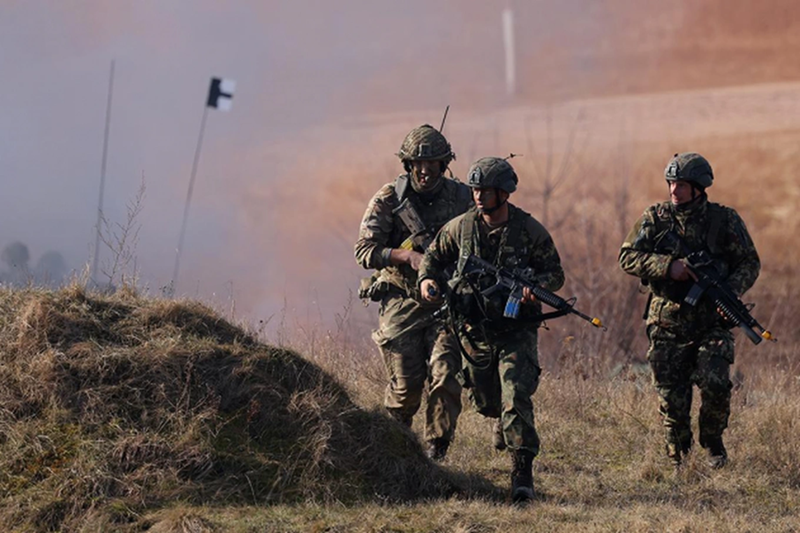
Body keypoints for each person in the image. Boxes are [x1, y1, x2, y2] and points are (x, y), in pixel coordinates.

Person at [418, 156, 564, 503]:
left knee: (514, 394)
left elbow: (555, 274)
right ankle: (435, 451)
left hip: (513, 329)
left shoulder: (528, 230)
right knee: (446, 380)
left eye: (485, 190)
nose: (479, 196)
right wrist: (426, 281)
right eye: (475, 189)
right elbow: (433, 258)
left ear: (504, 193)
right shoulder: (460, 228)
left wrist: (533, 287)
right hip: (465, 325)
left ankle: (521, 472)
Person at [619, 152, 760, 468]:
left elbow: (749, 262)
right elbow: (627, 257)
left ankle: (713, 445)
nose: (673, 190)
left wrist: (731, 293)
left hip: (712, 321)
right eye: (671, 183)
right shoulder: (655, 219)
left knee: (715, 384)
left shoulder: (724, 220)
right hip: (667, 321)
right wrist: (669, 267)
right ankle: (678, 456)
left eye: (681, 184)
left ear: (699, 187)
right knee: (671, 395)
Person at [354, 124, 472, 460]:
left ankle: (436, 451)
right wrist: (406, 256)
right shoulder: (390, 198)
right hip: (402, 299)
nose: (424, 170)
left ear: (443, 163)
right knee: (406, 391)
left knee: (447, 374)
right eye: (418, 164)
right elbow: (364, 250)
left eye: (432, 163)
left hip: (445, 302)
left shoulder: (462, 198)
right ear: (407, 165)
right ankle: (396, 454)